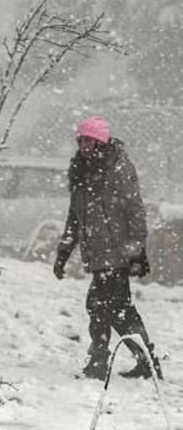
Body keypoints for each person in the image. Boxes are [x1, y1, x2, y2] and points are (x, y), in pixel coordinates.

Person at [53, 115, 162, 380]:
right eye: (80, 141)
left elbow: (135, 210)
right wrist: (63, 253)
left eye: (88, 140)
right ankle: (141, 361)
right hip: (97, 254)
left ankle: (103, 362)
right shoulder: (81, 170)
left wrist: (137, 251)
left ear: (100, 141)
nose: (83, 146)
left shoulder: (117, 167)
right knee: (113, 309)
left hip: (117, 252)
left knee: (105, 307)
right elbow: (75, 216)